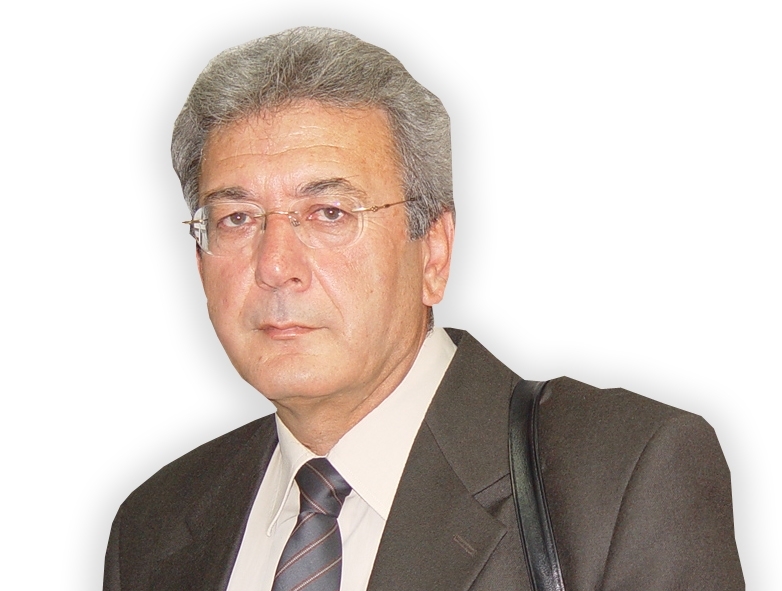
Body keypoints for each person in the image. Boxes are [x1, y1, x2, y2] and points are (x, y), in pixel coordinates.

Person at [103, 27, 743, 591]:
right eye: (237, 219)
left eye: (329, 213)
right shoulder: (155, 528)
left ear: (433, 251)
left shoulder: (623, 476)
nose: (274, 265)